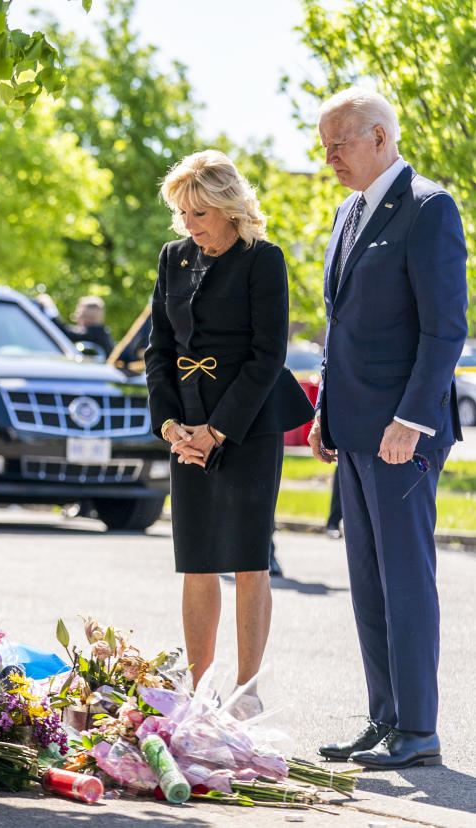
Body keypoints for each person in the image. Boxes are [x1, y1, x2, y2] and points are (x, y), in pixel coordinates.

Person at [310, 88, 466, 770]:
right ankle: (384, 721)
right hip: (354, 431)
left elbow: (445, 328)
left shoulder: (429, 209)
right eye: (324, 146)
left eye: (339, 143)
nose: (330, 157)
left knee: (406, 582)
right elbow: (339, 325)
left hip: (403, 435)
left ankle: (420, 730)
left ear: (379, 136)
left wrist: (412, 418)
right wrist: (324, 412)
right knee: (369, 583)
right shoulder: (349, 210)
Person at [144, 150, 313, 698]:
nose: (190, 227)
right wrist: (173, 427)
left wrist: (216, 432)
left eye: (200, 214)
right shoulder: (173, 258)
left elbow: (267, 356)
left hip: (247, 424)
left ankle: (247, 690)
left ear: (229, 208)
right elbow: (158, 350)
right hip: (186, 426)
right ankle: (199, 691)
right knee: (195, 559)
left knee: (246, 558)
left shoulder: (263, 259)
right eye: (183, 215)